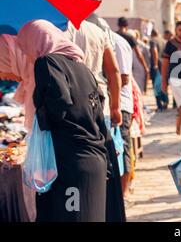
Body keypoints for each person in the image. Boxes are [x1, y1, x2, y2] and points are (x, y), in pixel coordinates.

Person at [17, 20, 110, 222]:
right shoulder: (81, 67)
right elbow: (99, 115)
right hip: (94, 160)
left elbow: (58, 105)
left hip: (68, 164)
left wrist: (40, 116)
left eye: (25, 48)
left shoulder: (47, 62)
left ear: (35, 41)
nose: (27, 55)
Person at [65, 20, 126, 222]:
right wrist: (116, 106)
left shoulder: (59, 30)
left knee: (78, 165)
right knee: (104, 162)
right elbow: (113, 71)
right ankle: (105, 209)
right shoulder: (97, 31)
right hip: (100, 105)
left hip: (72, 108)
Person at [110, 32, 135, 204]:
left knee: (123, 146)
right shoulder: (108, 40)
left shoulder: (117, 43)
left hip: (121, 105)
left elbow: (124, 78)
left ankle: (124, 193)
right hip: (111, 104)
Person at [161, 21, 181, 135]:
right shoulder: (170, 44)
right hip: (175, 80)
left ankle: (178, 125)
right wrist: (163, 83)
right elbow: (165, 64)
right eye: (180, 30)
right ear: (176, 31)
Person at [116, 17, 150, 92]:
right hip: (127, 67)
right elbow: (139, 54)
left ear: (118, 25)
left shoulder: (113, 35)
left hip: (115, 66)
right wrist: (145, 67)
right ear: (127, 26)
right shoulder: (130, 37)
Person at [149, 29, 169, 111]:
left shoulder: (153, 41)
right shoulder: (164, 41)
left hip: (157, 66)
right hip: (164, 65)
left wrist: (155, 64)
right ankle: (166, 101)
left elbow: (154, 51)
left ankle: (159, 104)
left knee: (156, 85)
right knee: (163, 83)